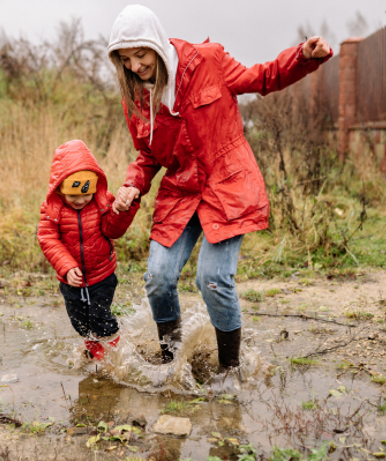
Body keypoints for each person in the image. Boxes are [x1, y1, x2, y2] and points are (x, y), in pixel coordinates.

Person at [107, 5, 332, 390]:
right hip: (180, 192)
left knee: (212, 278)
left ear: (157, 44)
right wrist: (133, 184)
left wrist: (302, 57)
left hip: (226, 185)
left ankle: (230, 369)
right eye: (126, 60)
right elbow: (147, 155)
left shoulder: (207, 61)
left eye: (141, 55)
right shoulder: (137, 98)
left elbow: (262, 78)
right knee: (158, 278)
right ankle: (169, 360)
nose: (135, 66)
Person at [38, 140, 140, 360]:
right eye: (73, 195)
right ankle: (95, 352)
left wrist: (122, 212)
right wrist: (66, 266)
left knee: (100, 317)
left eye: (86, 194)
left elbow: (112, 230)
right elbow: (47, 238)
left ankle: (116, 354)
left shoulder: (102, 202)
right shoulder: (52, 209)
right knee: (80, 321)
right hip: (71, 280)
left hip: (101, 275)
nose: (81, 200)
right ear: (59, 188)